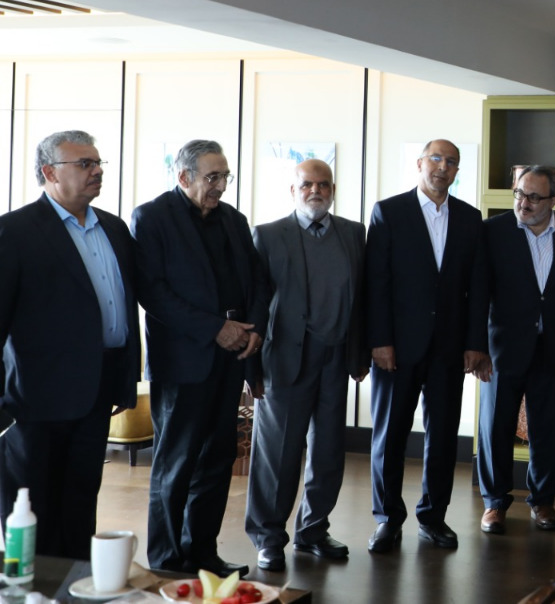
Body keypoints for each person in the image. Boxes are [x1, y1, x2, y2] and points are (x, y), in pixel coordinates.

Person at [0, 131, 140, 559]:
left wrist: (123, 381)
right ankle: (32, 586)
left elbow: (123, 307)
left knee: (81, 501)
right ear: (50, 172)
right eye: (84, 164)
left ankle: (77, 582)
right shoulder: (14, 230)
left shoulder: (114, 228)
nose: (97, 171)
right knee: (33, 508)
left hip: (97, 391)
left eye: (98, 163)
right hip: (35, 399)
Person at [132, 139, 267, 576]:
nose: (220, 186)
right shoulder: (152, 217)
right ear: (184, 176)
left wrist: (254, 330)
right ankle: (168, 559)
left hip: (231, 357)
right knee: (177, 461)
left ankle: (202, 552)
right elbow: (153, 293)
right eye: (212, 177)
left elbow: (257, 281)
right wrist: (215, 329)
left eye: (225, 176)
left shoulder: (234, 220)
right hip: (183, 361)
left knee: (217, 458)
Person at [365, 140, 488, 553]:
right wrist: (379, 340)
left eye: (451, 162)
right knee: (390, 436)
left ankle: (433, 518)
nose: (443, 167)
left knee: (443, 437)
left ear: (457, 171)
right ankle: (387, 519)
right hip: (396, 348)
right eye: (436, 158)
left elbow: (478, 287)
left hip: (449, 348)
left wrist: (475, 343)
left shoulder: (471, 218)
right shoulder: (389, 212)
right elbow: (376, 282)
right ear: (420, 163)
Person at [246, 159, 368, 571]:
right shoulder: (268, 235)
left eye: (324, 184)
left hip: (336, 356)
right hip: (285, 359)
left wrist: (359, 352)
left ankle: (313, 530)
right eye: (307, 185)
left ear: (333, 189)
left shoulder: (353, 233)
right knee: (278, 455)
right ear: (293, 190)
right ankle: (268, 537)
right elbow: (256, 302)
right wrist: (250, 367)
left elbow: (362, 297)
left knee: (329, 451)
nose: (316, 191)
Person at [476, 165, 555, 534]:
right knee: (496, 427)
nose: (524, 203)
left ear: (554, 199)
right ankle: (494, 503)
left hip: (551, 346)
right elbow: (478, 292)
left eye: (534, 197)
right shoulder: (493, 231)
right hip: (501, 348)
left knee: (547, 429)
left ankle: (543, 501)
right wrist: (477, 347)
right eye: (520, 194)